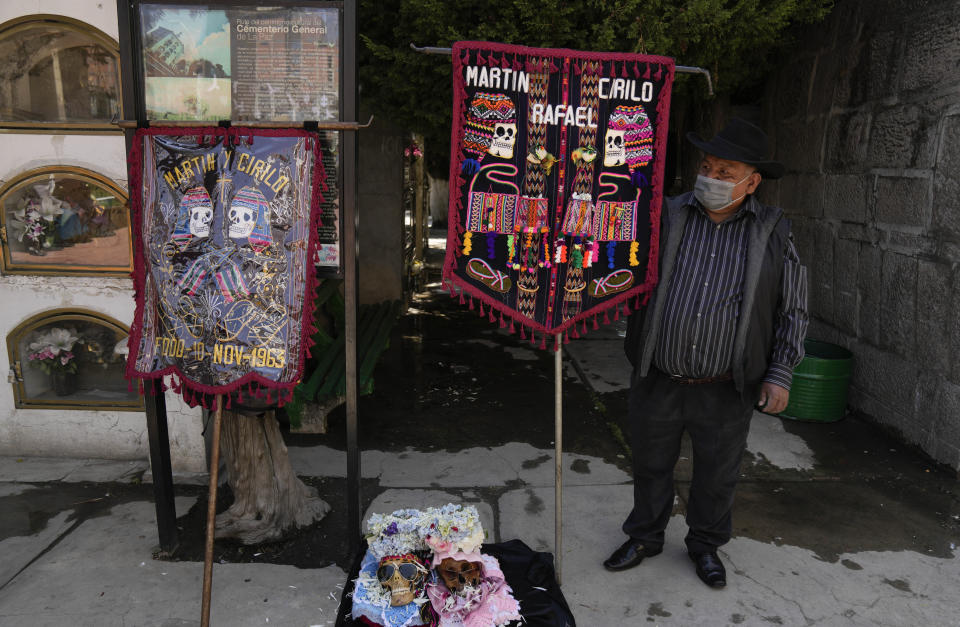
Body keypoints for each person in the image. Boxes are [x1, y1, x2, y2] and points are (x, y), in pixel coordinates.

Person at [603, 117, 808, 588]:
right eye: (707, 167)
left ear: (752, 182)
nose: (710, 179)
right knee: (651, 463)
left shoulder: (773, 231)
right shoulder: (666, 216)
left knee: (717, 474)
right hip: (660, 373)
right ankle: (644, 536)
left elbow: (793, 306)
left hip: (726, 384)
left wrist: (780, 373)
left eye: (726, 171)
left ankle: (705, 545)